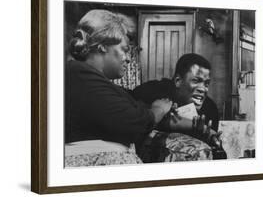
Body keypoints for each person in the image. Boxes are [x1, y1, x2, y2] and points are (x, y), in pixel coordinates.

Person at [64, 9, 173, 166]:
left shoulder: (92, 80)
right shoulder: (77, 74)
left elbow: (131, 105)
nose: (128, 59)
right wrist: (158, 111)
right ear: (102, 46)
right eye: (124, 50)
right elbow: (134, 122)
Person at [132, 53, 226, 161]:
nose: (203, 89)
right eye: (196, 81)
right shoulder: (154, 90)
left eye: (206, 84)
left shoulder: (210, 108)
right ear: (178, 81)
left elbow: (212, 152)